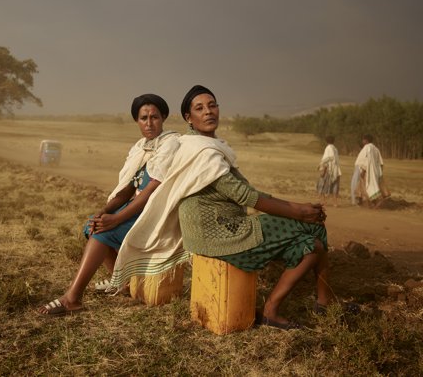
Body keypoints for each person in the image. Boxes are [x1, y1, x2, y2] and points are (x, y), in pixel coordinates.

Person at [111, 85, 357, 330]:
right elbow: (242, 194)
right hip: (217, 233)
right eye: (200, 108)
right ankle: (309, 304)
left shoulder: (208, 146)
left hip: (223, 226)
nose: (208, 112)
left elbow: (245, 187)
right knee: (310, 226)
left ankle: (302, 305)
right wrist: (298, 211)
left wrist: (299, 207)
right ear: (189, 118)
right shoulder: (201, 151)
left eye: (212, 105)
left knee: (313, 243)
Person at [38, 94, 180, 316]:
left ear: (163, 118)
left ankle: (72, 298)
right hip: (136, 206)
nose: (149, 123)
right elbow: (128, 188)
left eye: (154, 117)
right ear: (137, 121)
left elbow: (152, 188)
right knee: (92, 225)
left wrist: (117, 218)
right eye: (144, 118)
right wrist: (104, 212)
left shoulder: (169, 143)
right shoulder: (140, 147)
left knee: (103, 233)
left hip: (156, 211)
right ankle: (121, 282)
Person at [352, 134, 390, 207]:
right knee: (368, 186)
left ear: (366, 140)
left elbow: (364, 160)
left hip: (367, 171)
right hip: (375, 172)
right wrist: (380, 172)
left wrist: (363, 170)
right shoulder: (376, 149)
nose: (362, 141)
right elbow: (381, 162)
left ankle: (375, 201)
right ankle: (369, 202)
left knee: (366, 187)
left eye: (363, 140)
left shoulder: (367, 148)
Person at [316, 135, 341, 207]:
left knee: (322, 185)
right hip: (336, 170)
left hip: (329, 170)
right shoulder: (335, 149)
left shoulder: (328, 148)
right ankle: (335, 203)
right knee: (335, 187)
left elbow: (327, 159)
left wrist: (322, 168)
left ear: (326, 141)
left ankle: (323, 201)